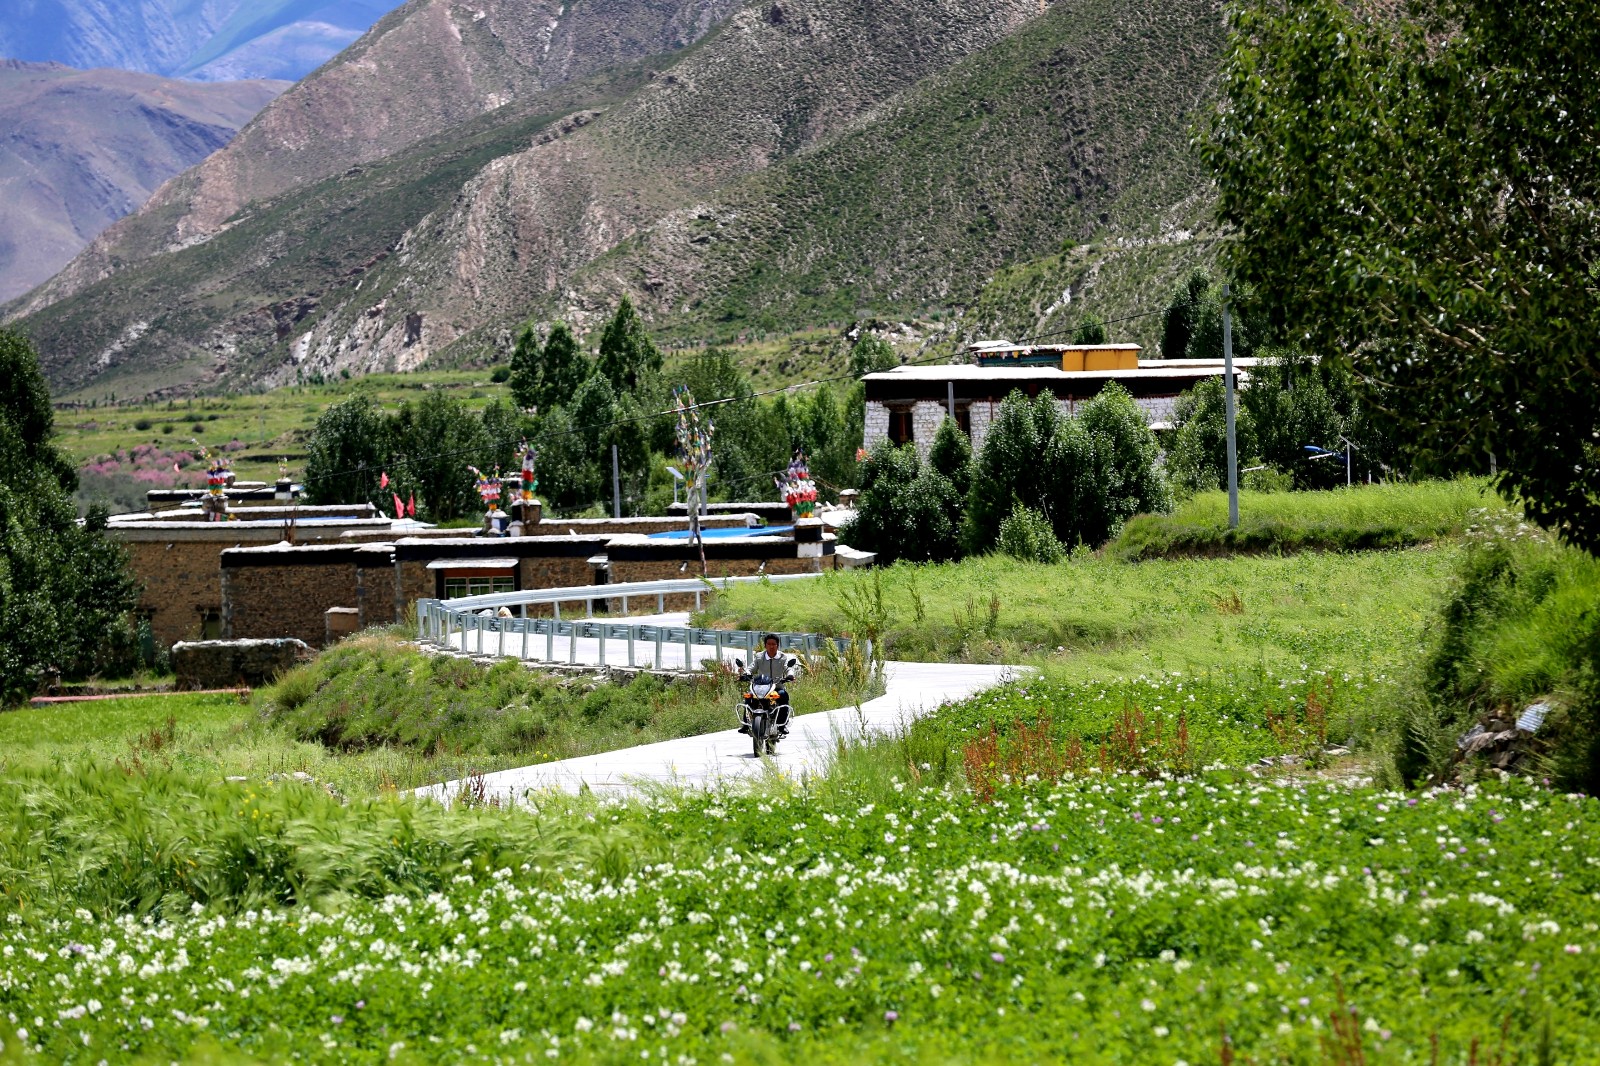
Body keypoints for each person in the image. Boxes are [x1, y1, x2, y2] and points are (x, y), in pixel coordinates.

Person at [738, 633, 798, 736]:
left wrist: (790, 675)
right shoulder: (759, 657)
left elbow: (788, 668)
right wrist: (746, 673)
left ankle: (781, 725)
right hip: (760, 687)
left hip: (776, 687)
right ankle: (746, 724)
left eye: (773, 644)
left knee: (783, 695)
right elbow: (751, 667)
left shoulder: (783, 657)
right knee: (748, 696)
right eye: (769, 644)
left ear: (777, 645)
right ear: (765, 645)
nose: (771, 646)